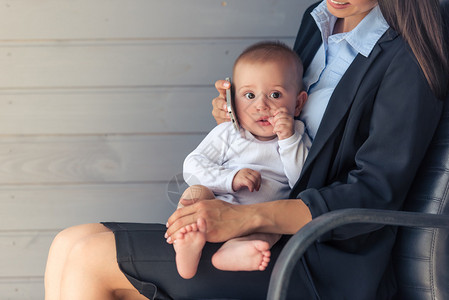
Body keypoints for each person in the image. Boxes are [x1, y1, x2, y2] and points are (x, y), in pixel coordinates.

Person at [44, 0, 449, 299]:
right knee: (70, 242)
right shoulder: (318, 20)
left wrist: (243, 219)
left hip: (323, 257)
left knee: (88, 257)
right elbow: (289, 105)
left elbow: (373, 192)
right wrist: (245, 110)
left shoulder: (407, 56)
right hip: (260, 226)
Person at [173, 41, 310, 279]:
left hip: (260, 215)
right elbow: (192, 165)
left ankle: (233, 251)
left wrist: (288, 139)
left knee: (273, 232)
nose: (261, 105)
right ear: (232, 101)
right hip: (213, 203)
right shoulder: (229, 133)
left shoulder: (296, 137)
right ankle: (187, 238)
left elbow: (303, 180)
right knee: (194, 192)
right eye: (249, 95)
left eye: (275, 94)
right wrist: (230, 178)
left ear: (298, 103)